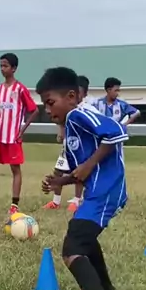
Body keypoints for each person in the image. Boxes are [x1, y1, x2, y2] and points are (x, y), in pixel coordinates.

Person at [36, 66, 128, 290]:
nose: (48, 110)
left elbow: (116, 132)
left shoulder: (80, 114)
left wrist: (89, 164)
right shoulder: (71, 128)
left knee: (72, 249)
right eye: (44, 105)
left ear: (71, 96)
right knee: (83, 237)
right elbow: (79, 170)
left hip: (107, 190)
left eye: (50, 102)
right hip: (98, 191)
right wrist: (61, 181)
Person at [0, 52, 38, 214]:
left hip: (12, 136)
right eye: (1, 66)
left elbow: (34, 111)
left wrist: (22, 130)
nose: (2, 69)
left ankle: (14, 205)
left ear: (14, 68)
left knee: (15, 169)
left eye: (5, 66)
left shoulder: (20, 89)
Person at [43, 75, 91, 212]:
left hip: (81, 147)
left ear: (85, 94)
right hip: (67, 146)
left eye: (79, 92)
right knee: (58, 172)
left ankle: (76, 200)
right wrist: (61, 131)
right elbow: (61, 120)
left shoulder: (86, 109)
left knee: (78, 174)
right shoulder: (69, 106)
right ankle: (55, 201)